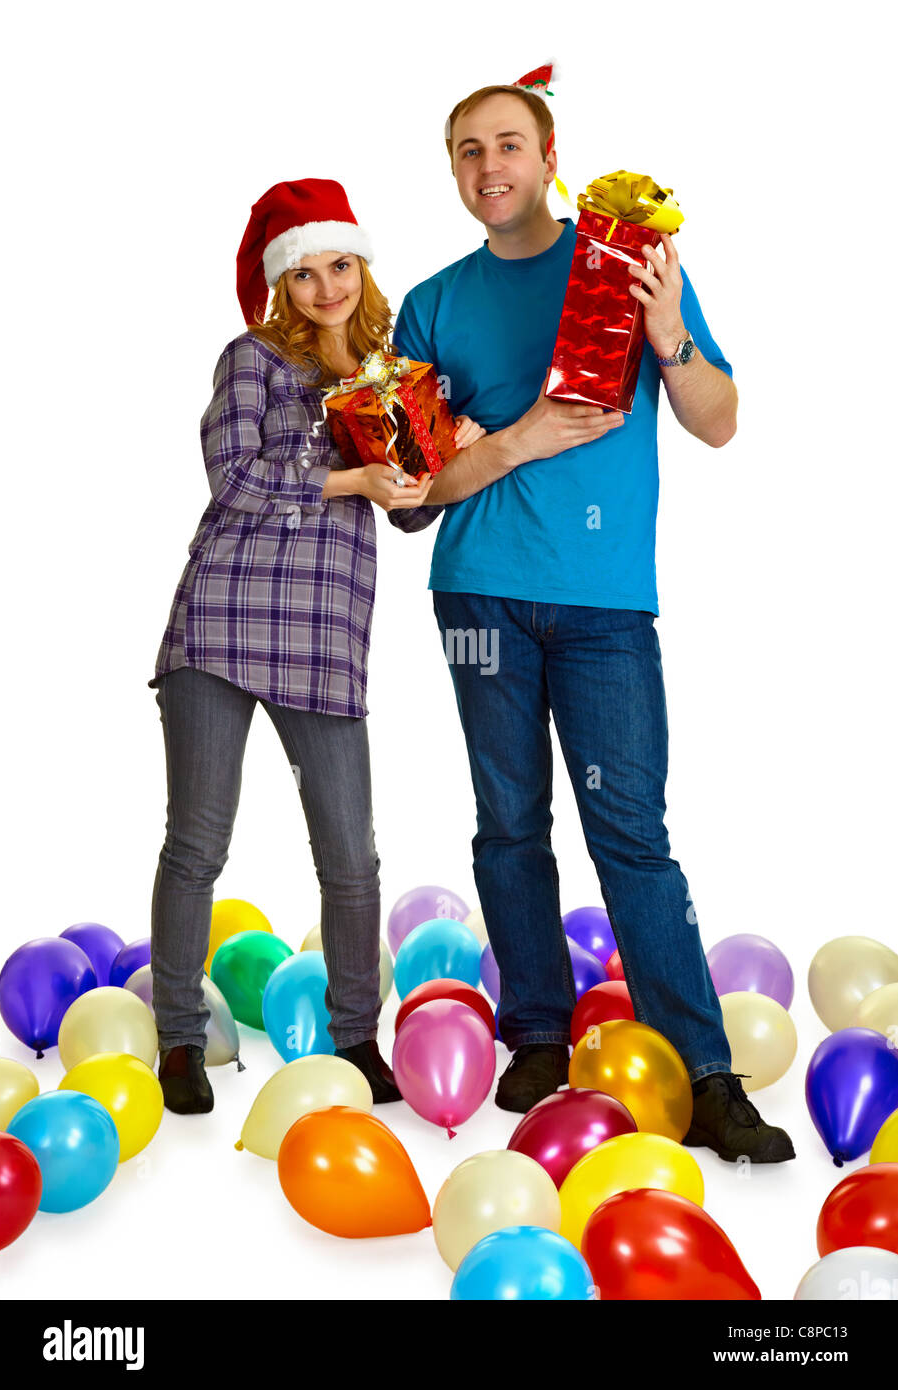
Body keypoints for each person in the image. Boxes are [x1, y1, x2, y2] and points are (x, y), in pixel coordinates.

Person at [389, 80, 796, 1162]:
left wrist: (669, 336)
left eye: (508, 145)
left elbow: (717, 422)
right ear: (452, 168)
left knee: (630, 834)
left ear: (548, 153)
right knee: (507, 818)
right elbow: (414, 489)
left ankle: (701, 1072)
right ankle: (531, 1032)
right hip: (475, 599)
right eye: (467, 150)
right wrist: (517, 438)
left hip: (604, 606)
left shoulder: (626, 266)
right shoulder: (430, 304)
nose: (489, 167)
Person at [147, 178, 482, 1114]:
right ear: (281, 286)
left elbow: (406, 511)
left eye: (340, 265)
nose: (326, 286)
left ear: (361, 268)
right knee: (196, 842)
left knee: (350, 856)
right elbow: (235, 473)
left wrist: (449, 460)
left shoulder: (391, 375)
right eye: (305, 273)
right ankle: (178, 1036)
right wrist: (353, 477)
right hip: (221, 623)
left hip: (325, 637)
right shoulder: (251, 358)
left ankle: (355, 1039)